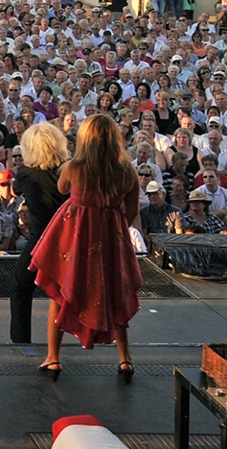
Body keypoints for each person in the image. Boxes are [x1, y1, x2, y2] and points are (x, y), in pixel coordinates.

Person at [31, 113, 143, 381]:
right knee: (116, 293)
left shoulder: (74, 167)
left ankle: (53, 357)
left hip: (75, 239)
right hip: (110, 238)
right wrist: (111, 224)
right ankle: (125, 358)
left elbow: (61, 188)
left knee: (60, 291)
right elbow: (132, 210)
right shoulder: (127, 171)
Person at [10, 121, 71, 344]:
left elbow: (14, 190)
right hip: (67, 240)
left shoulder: (26, 173)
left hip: (40, 240)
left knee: (21, 286)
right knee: (63, 291)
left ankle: (20, 340)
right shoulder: (69, 171)